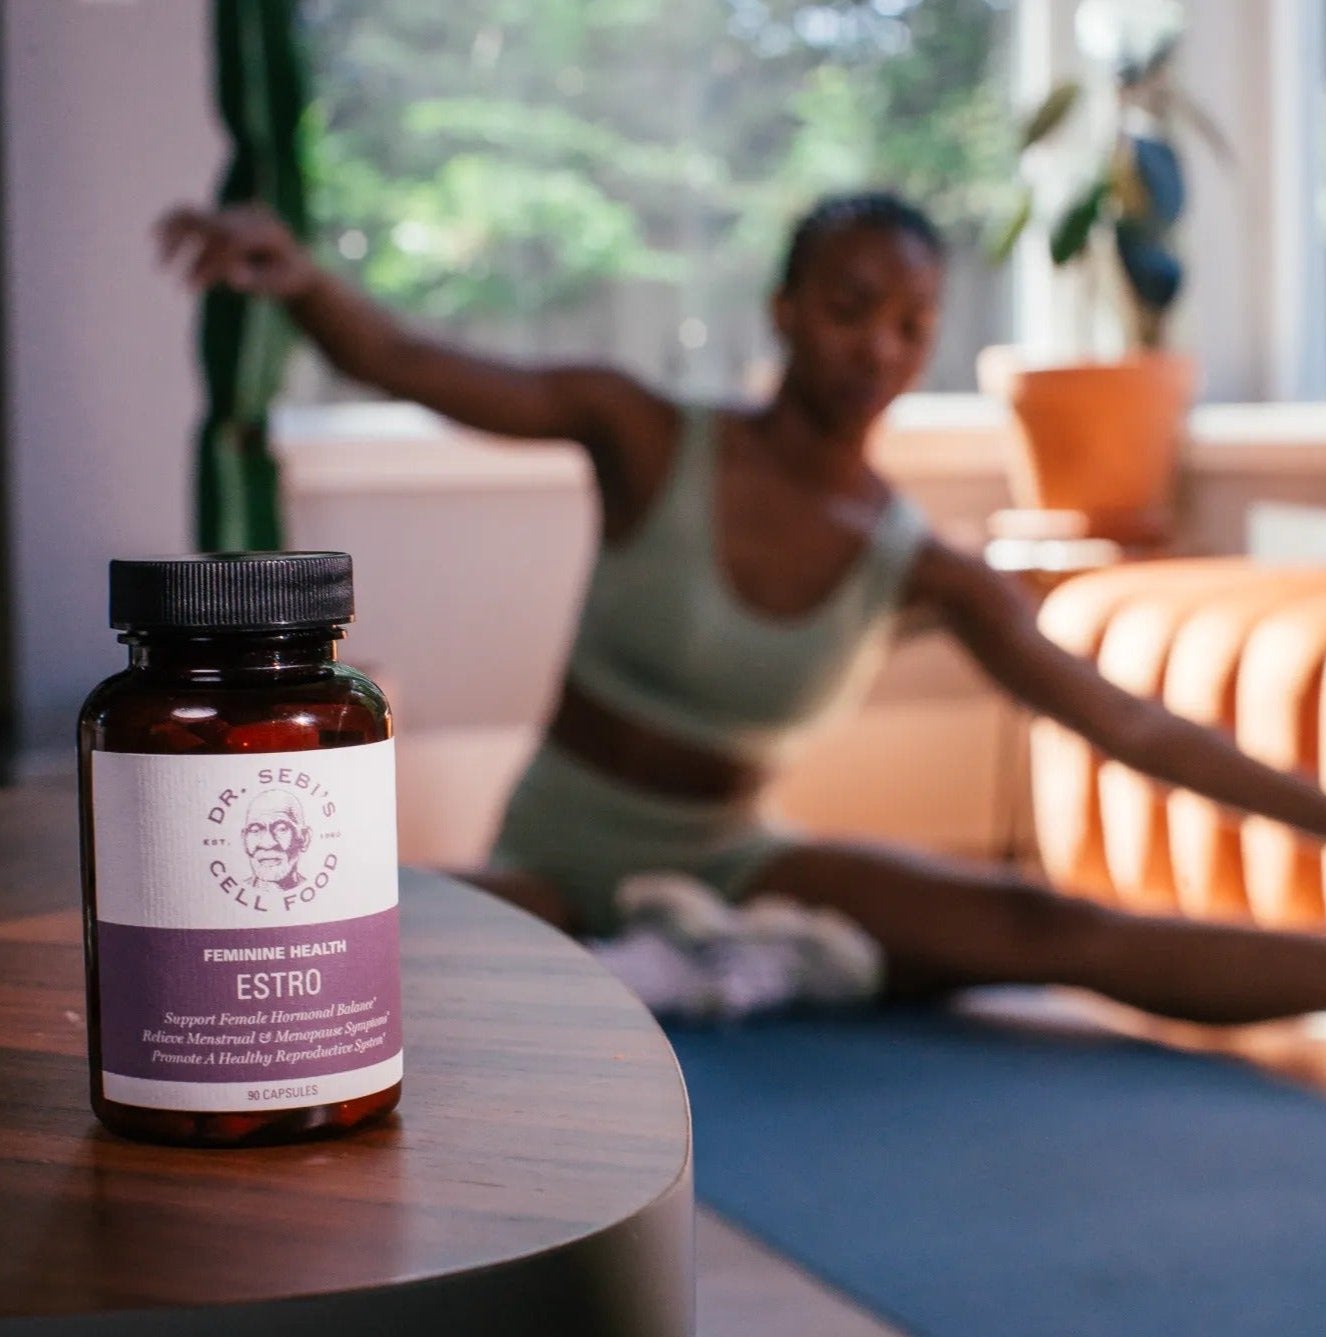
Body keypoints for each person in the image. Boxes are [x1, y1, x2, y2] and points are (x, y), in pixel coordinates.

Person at [157, 189, 1326, 1025]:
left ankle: (750, 957)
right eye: (849, 304)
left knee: (1049, 927)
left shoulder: (920, 564)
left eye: (910, 323)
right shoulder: (645, 435)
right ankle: (731, 969)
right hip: (553, 866)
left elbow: (1134, 727)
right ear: (783, 309)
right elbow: (416, 360)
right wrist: (300, 281)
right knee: (352, 936)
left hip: (739, 869)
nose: (878, 343)